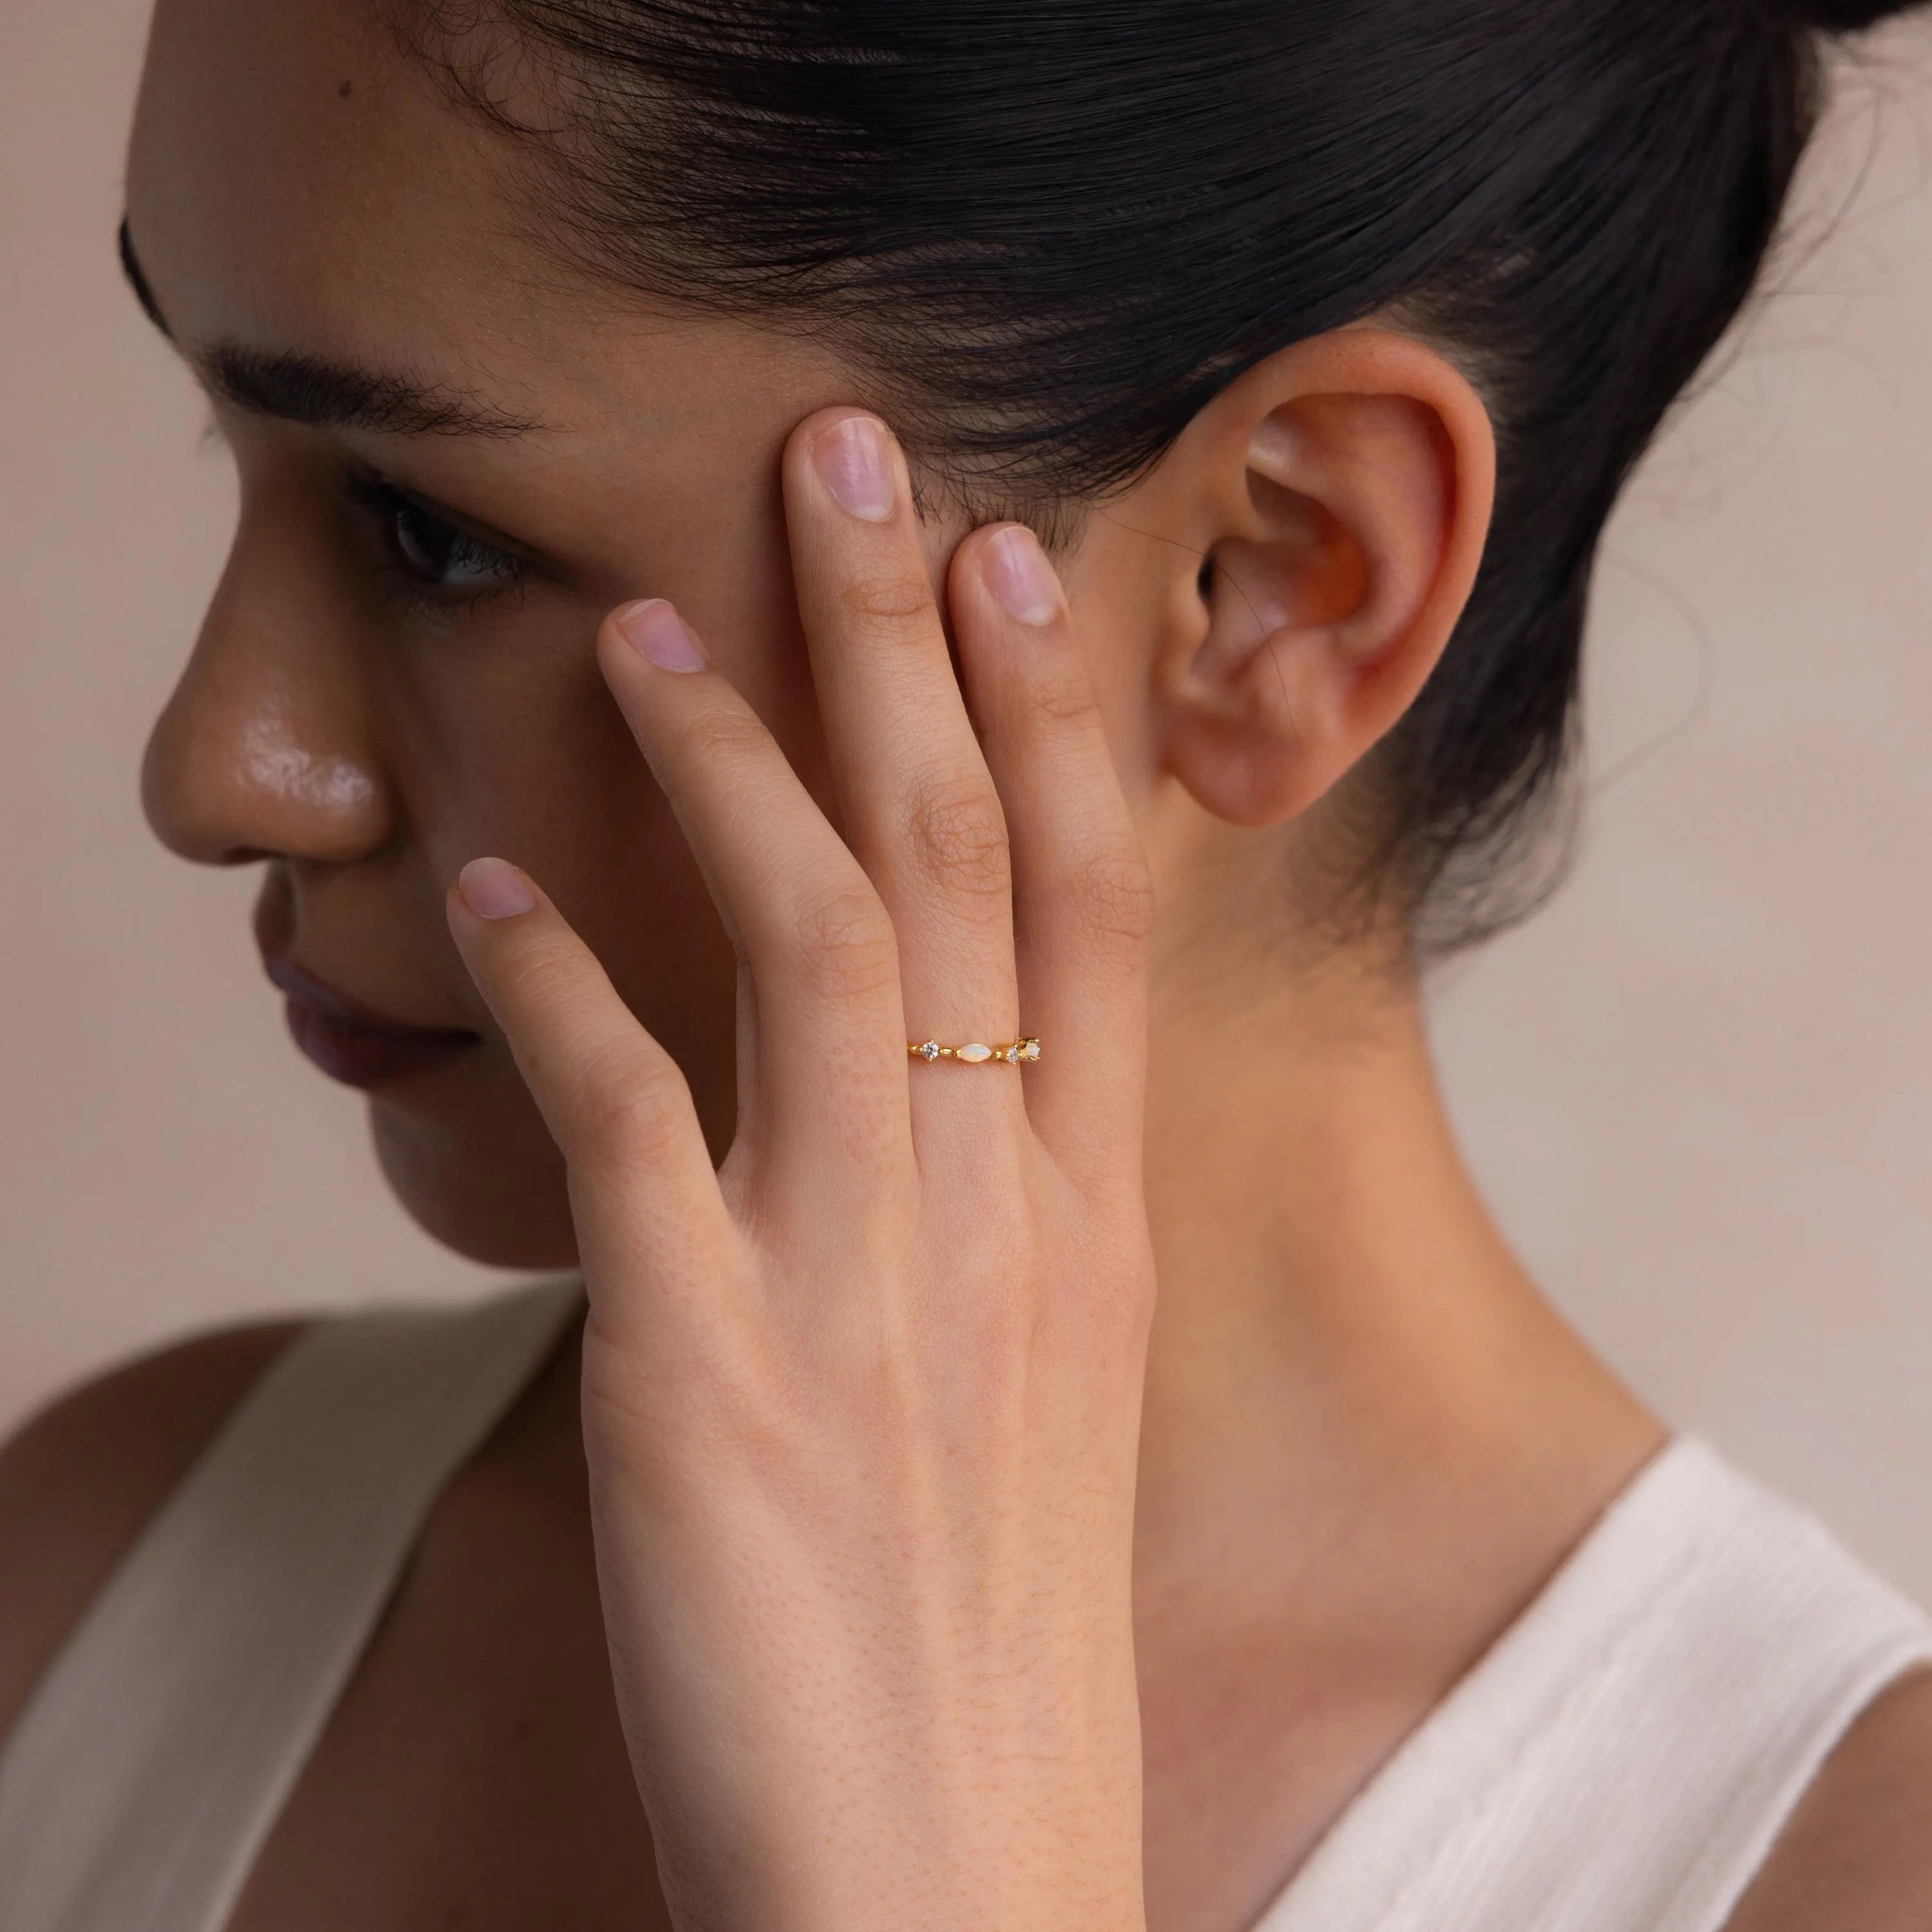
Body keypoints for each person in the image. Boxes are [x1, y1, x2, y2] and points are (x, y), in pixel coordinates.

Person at [1, 0, 1929, 1924]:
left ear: (1276, 581)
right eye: (218, 425)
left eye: (433, 535)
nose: (216, 764)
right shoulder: (95, 1586)